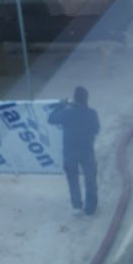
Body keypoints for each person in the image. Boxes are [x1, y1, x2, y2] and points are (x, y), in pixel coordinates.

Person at [48, 86, 100, 215]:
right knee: (90, 179)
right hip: (87, 151)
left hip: (69, 152)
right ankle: (91, 208)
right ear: (86, 99)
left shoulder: (67, 113)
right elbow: (96, 130)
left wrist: (61, 105)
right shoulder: (91, 113)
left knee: (73, 179)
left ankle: (77, 205)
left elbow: (51, 119)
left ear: (75, 99)